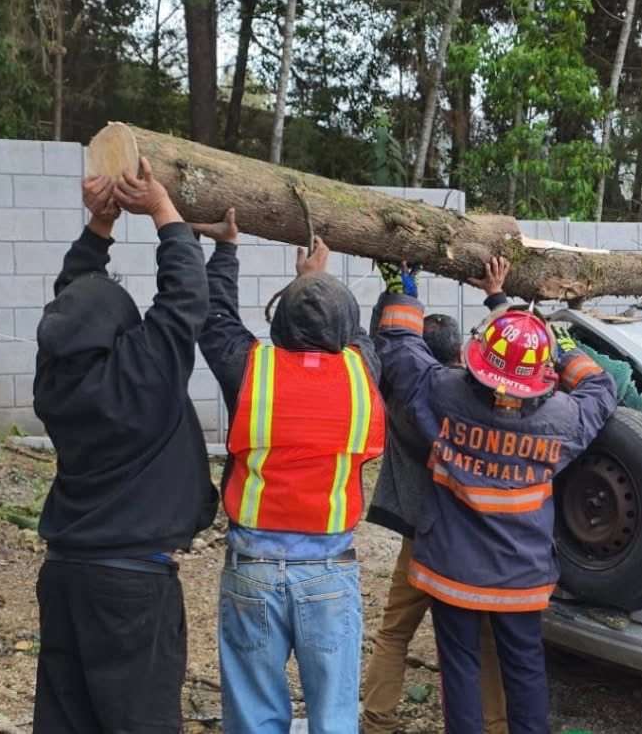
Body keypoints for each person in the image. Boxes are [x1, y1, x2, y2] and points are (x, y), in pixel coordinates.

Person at [372, 260, 618, 734]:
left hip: (453, 571)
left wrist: (402, 288)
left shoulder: (444, 395)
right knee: (524, 671)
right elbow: (601, 388)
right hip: (521, 575)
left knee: (460, 669)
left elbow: (401, 349)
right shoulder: (562, 419)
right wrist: (563, 347)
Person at [32, 162, 219, 733]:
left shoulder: (54, 378)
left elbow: (71, 303)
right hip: (130, 587)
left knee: (67, 720)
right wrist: (162, 210)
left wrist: (100, 225)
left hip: (64, 574)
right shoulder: (140, 374)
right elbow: (185, 297)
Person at [193, 208, 385, 734]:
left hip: (252, 569)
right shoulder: (361, 374)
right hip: (329, 573)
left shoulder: (250, 369)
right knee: (335, 718)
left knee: (254, 716)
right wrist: (317, 282)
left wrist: (227, 248)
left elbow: (215, 317)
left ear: (279, 322)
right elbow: (362, 336)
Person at [361, 258, 512, 734]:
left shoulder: (397, 392)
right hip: (470, 539)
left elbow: (387, 343)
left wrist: (400, 290)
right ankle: (494, 726)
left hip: (418, 536)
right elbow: (513, 358)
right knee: (483, 643)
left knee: (394, 633)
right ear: (460, 356)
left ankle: (378, 722)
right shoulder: (471, 399)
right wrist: (497, 297)